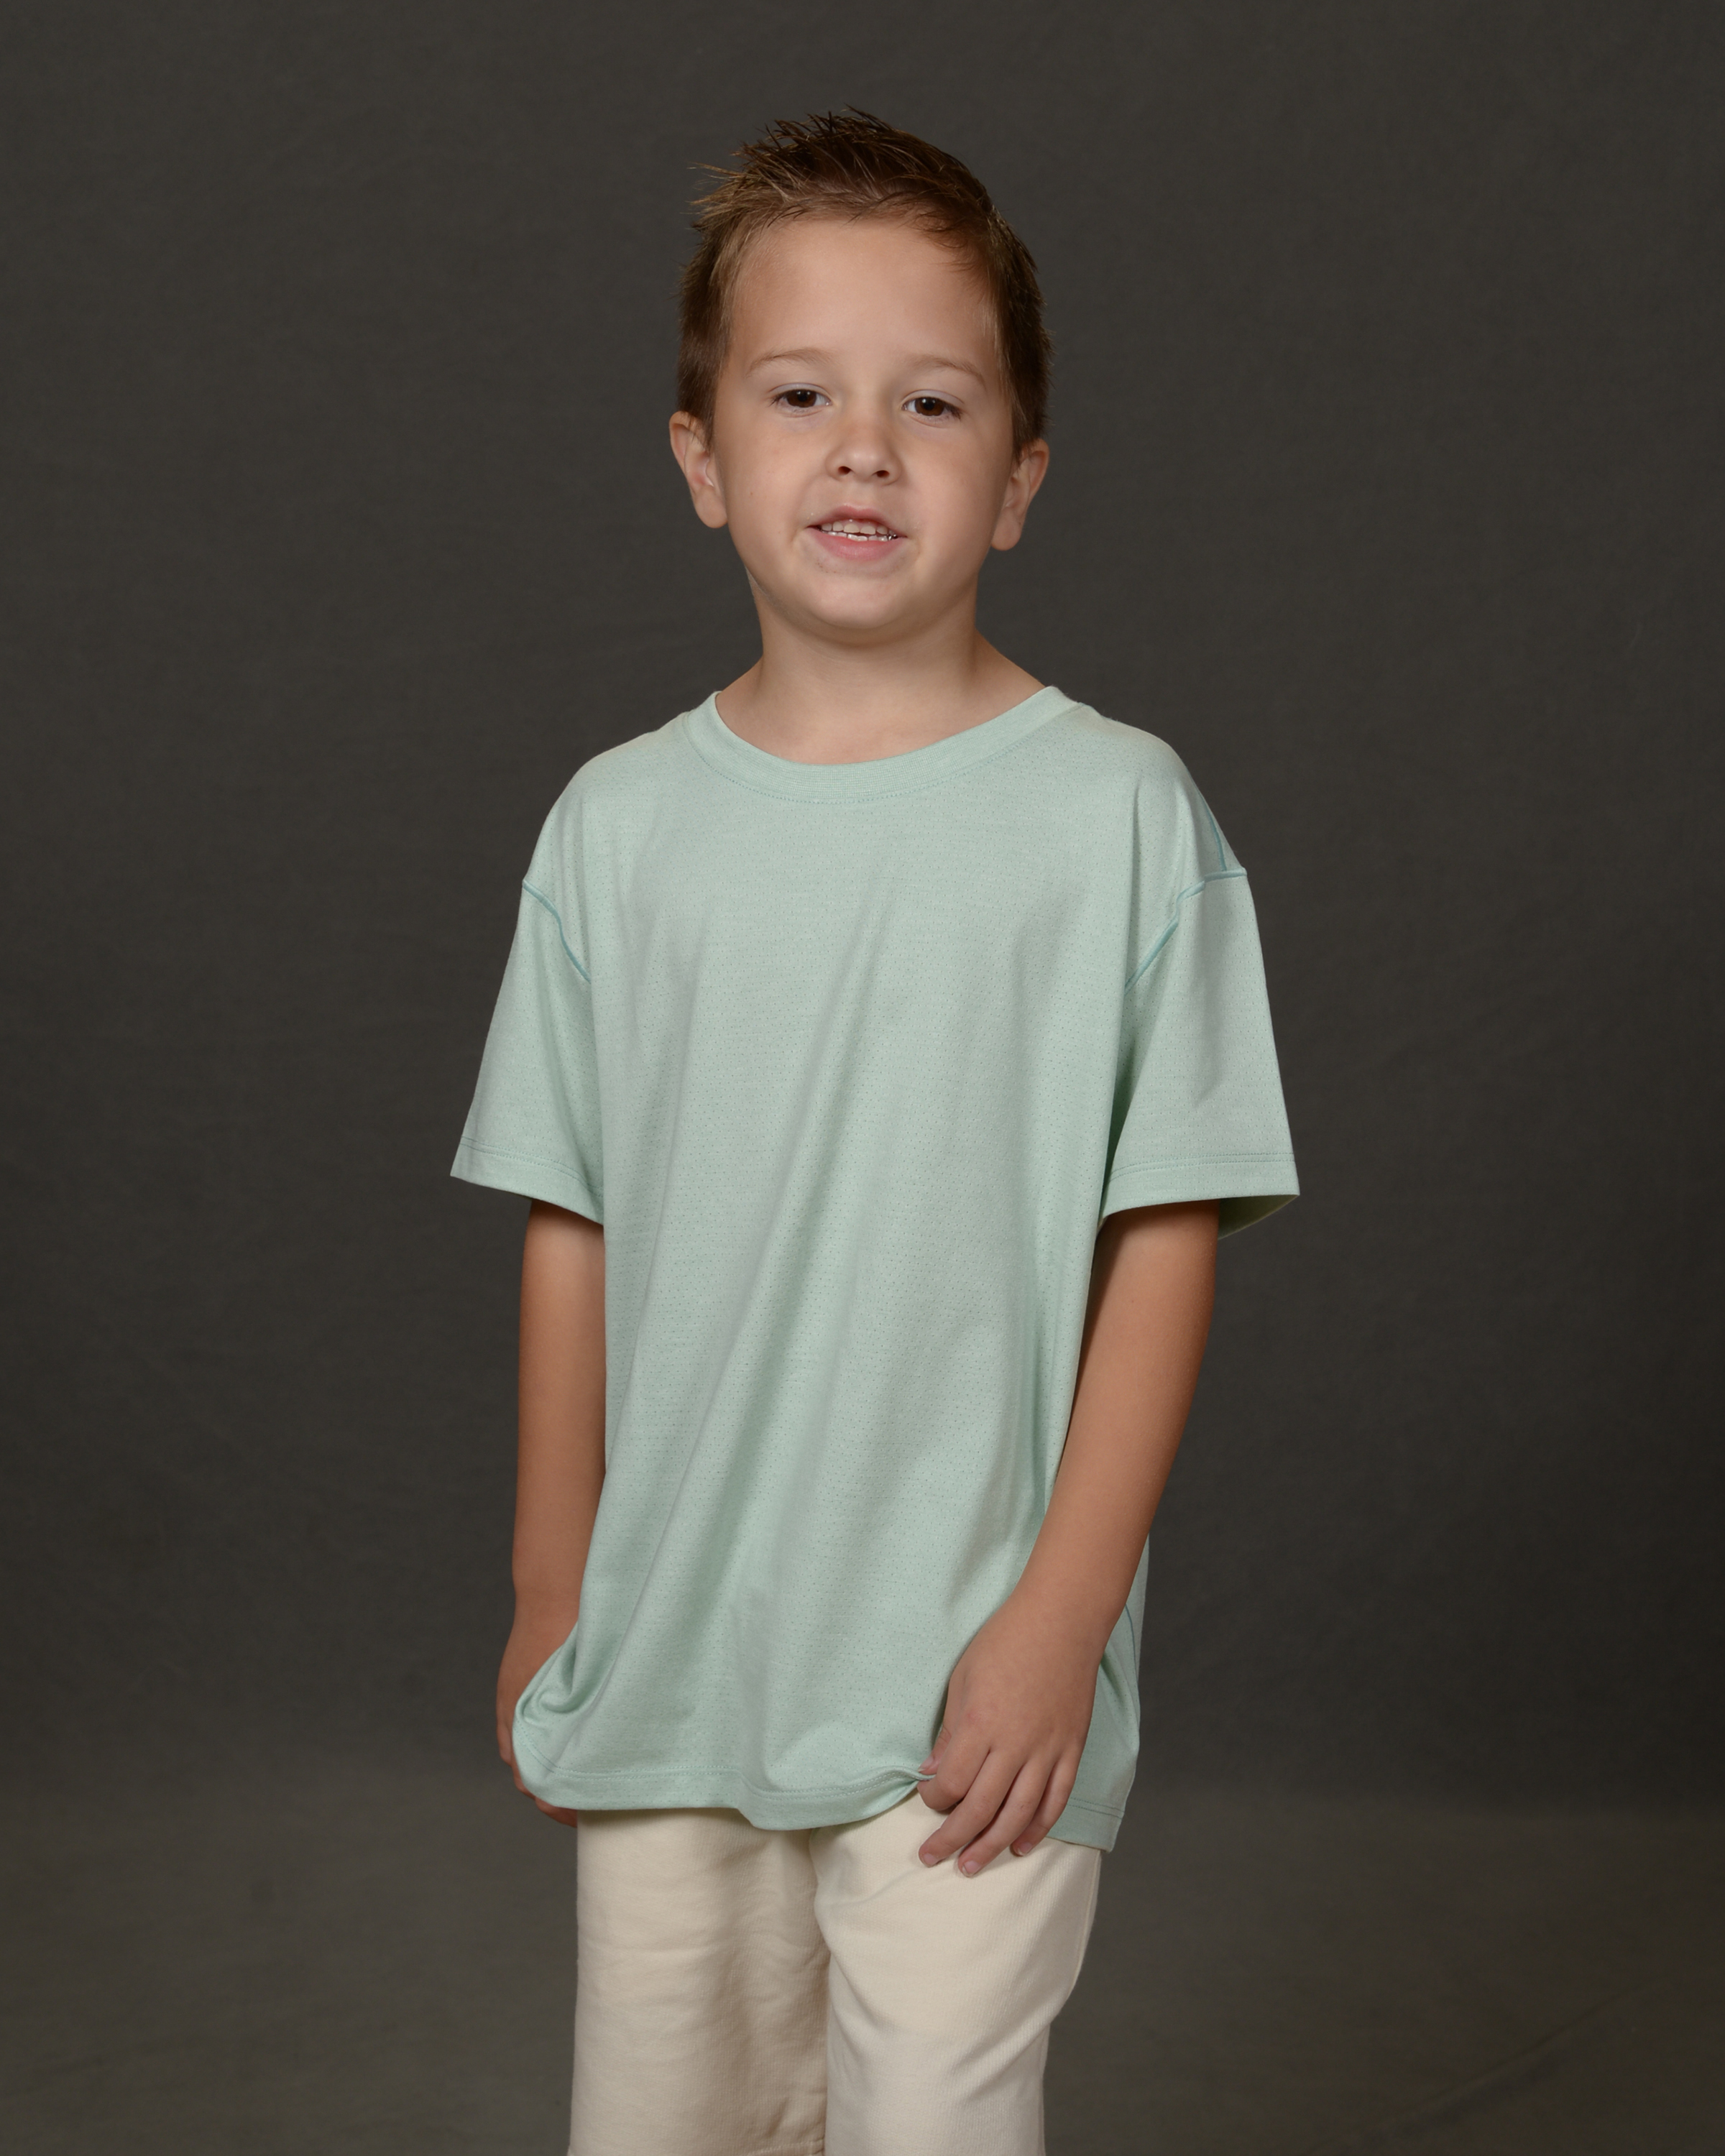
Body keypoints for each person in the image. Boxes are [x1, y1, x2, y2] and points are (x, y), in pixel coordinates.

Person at [451, 109, 1297, 2156]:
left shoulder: (1118, 820)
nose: (862, 451)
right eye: (799, 396)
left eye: (930, 403)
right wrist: (553, 1586)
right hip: (671, 1659)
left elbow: (1164, 1232)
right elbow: (572, 1220)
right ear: (700, 459)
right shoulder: (614, 831)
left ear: (1017, 480)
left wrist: (1061, 1621)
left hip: (968, 1688)